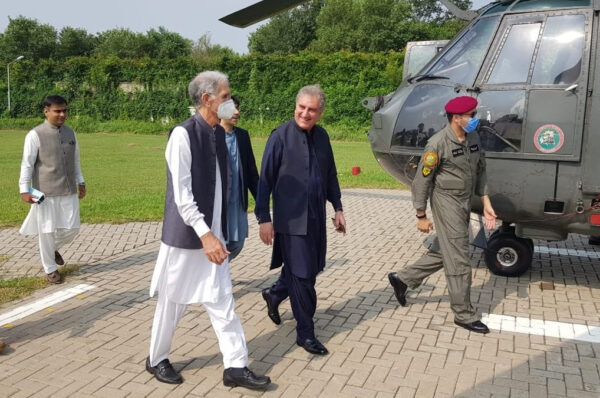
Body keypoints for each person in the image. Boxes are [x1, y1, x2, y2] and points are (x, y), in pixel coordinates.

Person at [146, 71, 271, 390]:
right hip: (188, 238)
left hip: (213, 237)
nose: (231, 102)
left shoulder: (221, 135)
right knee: (172, 301)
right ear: (208, 99)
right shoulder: (182, 136)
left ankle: (236, 366)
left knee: (222, 299)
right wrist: (206, 234)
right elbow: (182, 196)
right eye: (227, 97)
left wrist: (220, 232)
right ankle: (156, 358)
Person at [388, 96, 497, 334]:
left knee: (446, 250)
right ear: (457, 118)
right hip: (446, 202)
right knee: (459, 258)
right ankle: (463, 314)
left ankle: (403, 278)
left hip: (464, 201)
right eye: (472, 115)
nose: (475, 119)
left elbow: (481, 170)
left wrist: (486, 202)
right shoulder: (437, 144)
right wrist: (420, 215)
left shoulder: (474, 139)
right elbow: (422, 181)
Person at [256, 84, 346, 356]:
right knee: (304, 277)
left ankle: (274, 295)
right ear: (295, 106)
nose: (305, 113)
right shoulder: (280, 137)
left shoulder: (322, 137)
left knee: (310, 267)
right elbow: (265, 181)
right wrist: (264, 218)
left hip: (316, 218)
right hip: (291, 221)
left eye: (312, 110)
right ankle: (305, 333)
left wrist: (338, 207)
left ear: (320, 113)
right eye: (301, 107)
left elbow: (330, 174)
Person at [19, 95, 86, 284]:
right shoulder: (35, 135)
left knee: (73, 228)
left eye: (64, 110)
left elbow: (76, 161)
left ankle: (53, 248)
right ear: (46, 111)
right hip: (44, 192)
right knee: (46, 231)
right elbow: (27, 164)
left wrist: (81, 182)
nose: (62, 114)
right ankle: (50, 268)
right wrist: (24, 189)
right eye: (57, 111)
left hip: (69, 188)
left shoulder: (71, 133)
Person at [219, 96, 259, 260]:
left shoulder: (242, 136)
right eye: (232, 108)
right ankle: (218, 279)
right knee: (220, 244)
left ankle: (218, 274)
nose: (237, 112)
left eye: (237, 108)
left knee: (237, 243)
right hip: (220, 204)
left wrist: (261, 201)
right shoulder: (212, 135)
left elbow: (251, 171)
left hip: (238, 202)